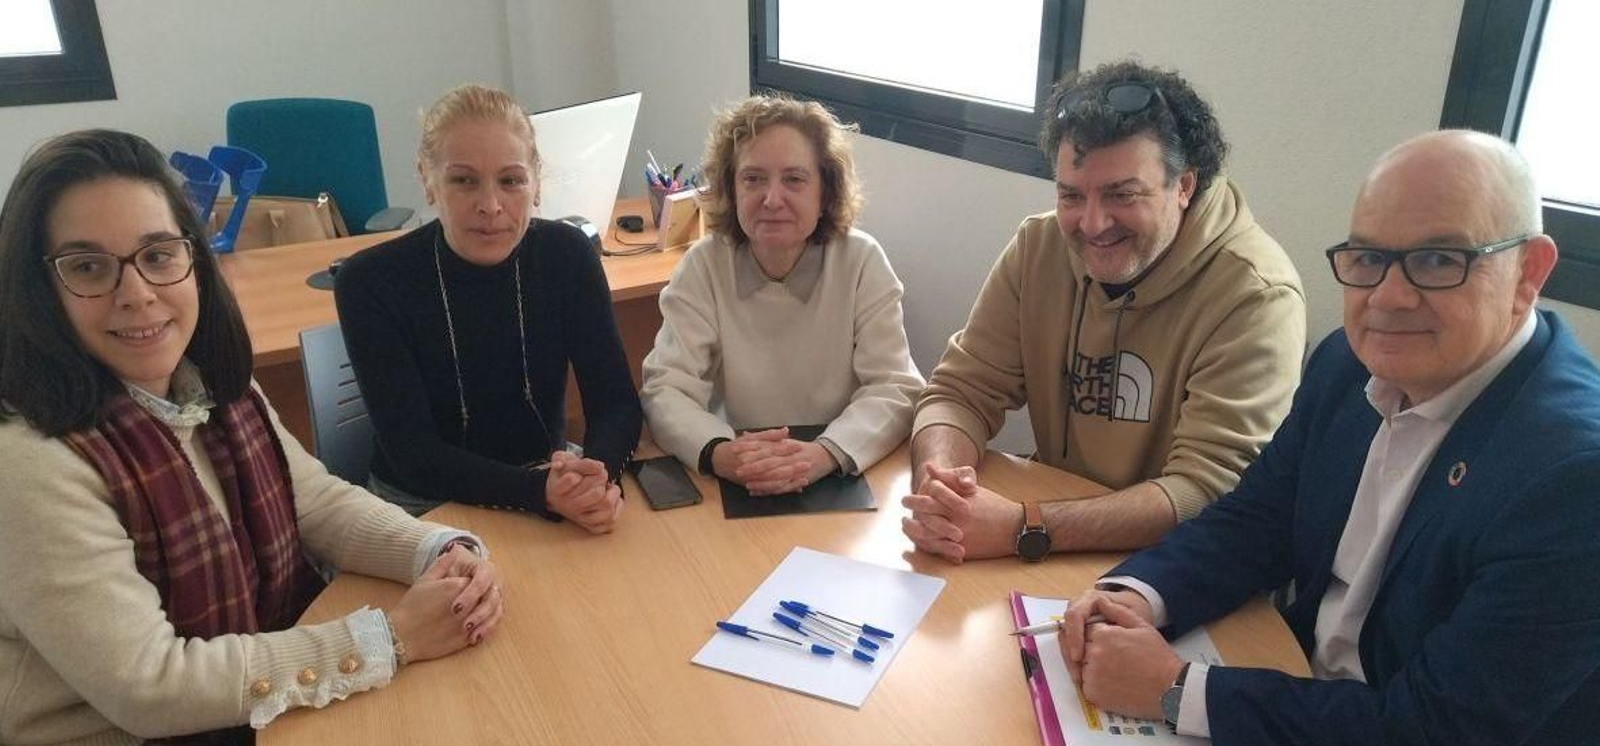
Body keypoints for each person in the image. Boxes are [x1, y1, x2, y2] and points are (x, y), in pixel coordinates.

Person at [1059, 131, 1599, 746]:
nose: (1389, 296)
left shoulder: (1575, 475)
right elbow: (1260, 516)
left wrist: (1178, 691)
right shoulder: (1349, 363)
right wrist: (1134, 594)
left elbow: (1432, 740)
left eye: (1439, 260)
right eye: (1369, 257)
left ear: (1529, 271)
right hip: (1302, 714)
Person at [0, 130, 505, 746]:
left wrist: (438, 547)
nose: (135, 293)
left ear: (193, 261)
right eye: (88, 268)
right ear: (39, 288)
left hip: (241, 728)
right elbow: (151, 685)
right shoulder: (27, 458)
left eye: (158, 255)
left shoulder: (207, 381)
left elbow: (316, 499)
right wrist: (390, 638)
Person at [903, 60, 1305, 561]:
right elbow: (960, 391)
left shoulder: (1256, 294)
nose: (1092, 225)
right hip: (1048, 540)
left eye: (1122, 195)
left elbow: (1206, 491)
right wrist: (940, 487)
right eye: (1071, 195)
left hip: (1173, 564)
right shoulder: (1040, 245)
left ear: (1184, 186)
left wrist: (1025, 527)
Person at [336, 83, 641, 529]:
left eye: (511, 180)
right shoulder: (370, 281)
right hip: (423, 504)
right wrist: (542, 494)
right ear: (427, 180)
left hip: (549, 483)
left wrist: (597, 476)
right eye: (463, 180)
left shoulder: (566, 254)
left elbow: (616, 404)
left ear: (535, 184)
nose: (491, 205)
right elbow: (412, 455)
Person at [640, 94, 924, 493]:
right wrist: (722, 453)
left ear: (825, 192)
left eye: (794, 179)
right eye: (753, 179)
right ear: (731, 188)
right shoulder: (703, 265)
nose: (772, 199)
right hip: (740, 465)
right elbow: (665, 387)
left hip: (840, 466)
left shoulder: (862, 262)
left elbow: (896, 387)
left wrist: (824, 453)